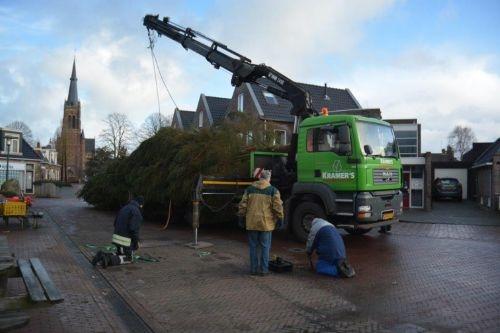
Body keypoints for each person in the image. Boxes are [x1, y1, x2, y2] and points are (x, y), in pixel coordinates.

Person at [238, 170, 284, 276]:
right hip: (266, 224)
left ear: (260, 177)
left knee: (253, 246)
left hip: (252, 222)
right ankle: (264, 270)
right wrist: (281, 218)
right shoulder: (273, 190)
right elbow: (277, 207)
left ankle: (253, 269)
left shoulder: (249, 189)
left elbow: (243, 205)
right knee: (265, 247)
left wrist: (240, 217)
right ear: (269, 178)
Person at [92, 195, 144, 268]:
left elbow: (115, 223)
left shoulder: (124, 208)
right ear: (141, 204)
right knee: (129, 258)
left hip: (116, 238)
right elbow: (133, 229)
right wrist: (136, 243)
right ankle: (107, 259)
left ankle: (102, 255)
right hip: (125, 241)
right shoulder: (136, 212)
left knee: (119, 254)